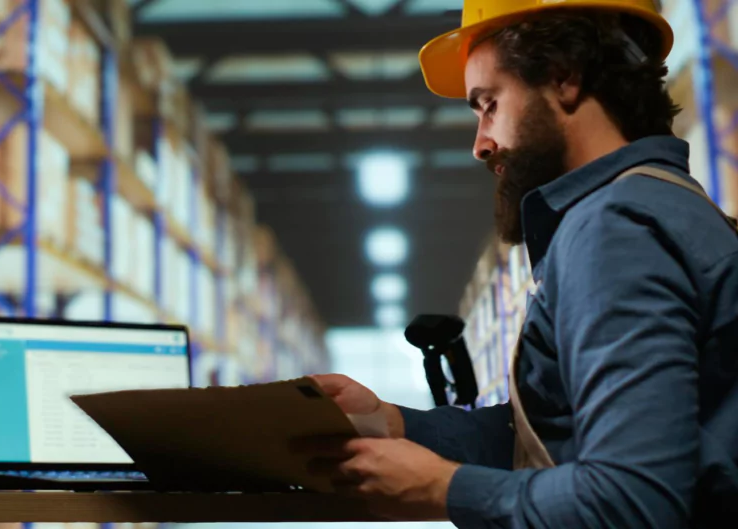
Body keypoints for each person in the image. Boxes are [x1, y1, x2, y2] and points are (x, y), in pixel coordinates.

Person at [293, 1, 738, 527]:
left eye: (489, 105)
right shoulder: (664, 206)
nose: (480, 145)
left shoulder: (614, 227)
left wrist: (440, 488)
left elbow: (631, 500)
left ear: (563, 78)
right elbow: (555, 436)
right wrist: (391, 423)